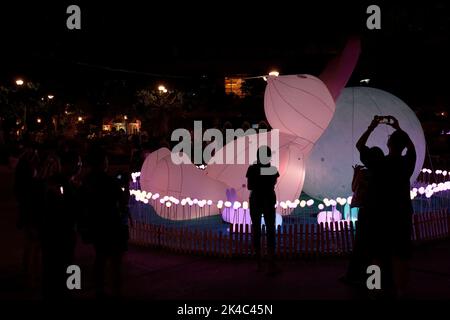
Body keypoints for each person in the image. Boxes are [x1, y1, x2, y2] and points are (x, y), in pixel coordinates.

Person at [355, 115, 416, 297]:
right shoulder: (407, 163)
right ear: (403, 146)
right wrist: (398, 127)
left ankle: (374, 288)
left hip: (379, 215)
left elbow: (360, 145)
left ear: (388, 145)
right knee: (400, 255)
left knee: (376, 254)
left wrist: (372, 126)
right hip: (401, 214)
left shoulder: (378, 163)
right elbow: (411, 147)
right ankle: (401, 292)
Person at [80, 146, 129, 298]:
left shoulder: (87, 181)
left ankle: (99, 290)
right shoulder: (108, 181)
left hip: (95, 224)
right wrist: (125, 186)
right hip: (110, 224)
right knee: (115, 261)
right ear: (102, 162)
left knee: (100, 258)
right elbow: (122, 201)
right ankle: (116, 291)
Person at [246, 146, 280, 274]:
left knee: (256, 230)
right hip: (268, 200)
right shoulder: (272, 169)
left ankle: (259, 263)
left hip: (256, 200)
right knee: (270, 231)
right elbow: (273, 182)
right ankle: (271, 263)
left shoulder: (252, 169)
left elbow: (250, 186)